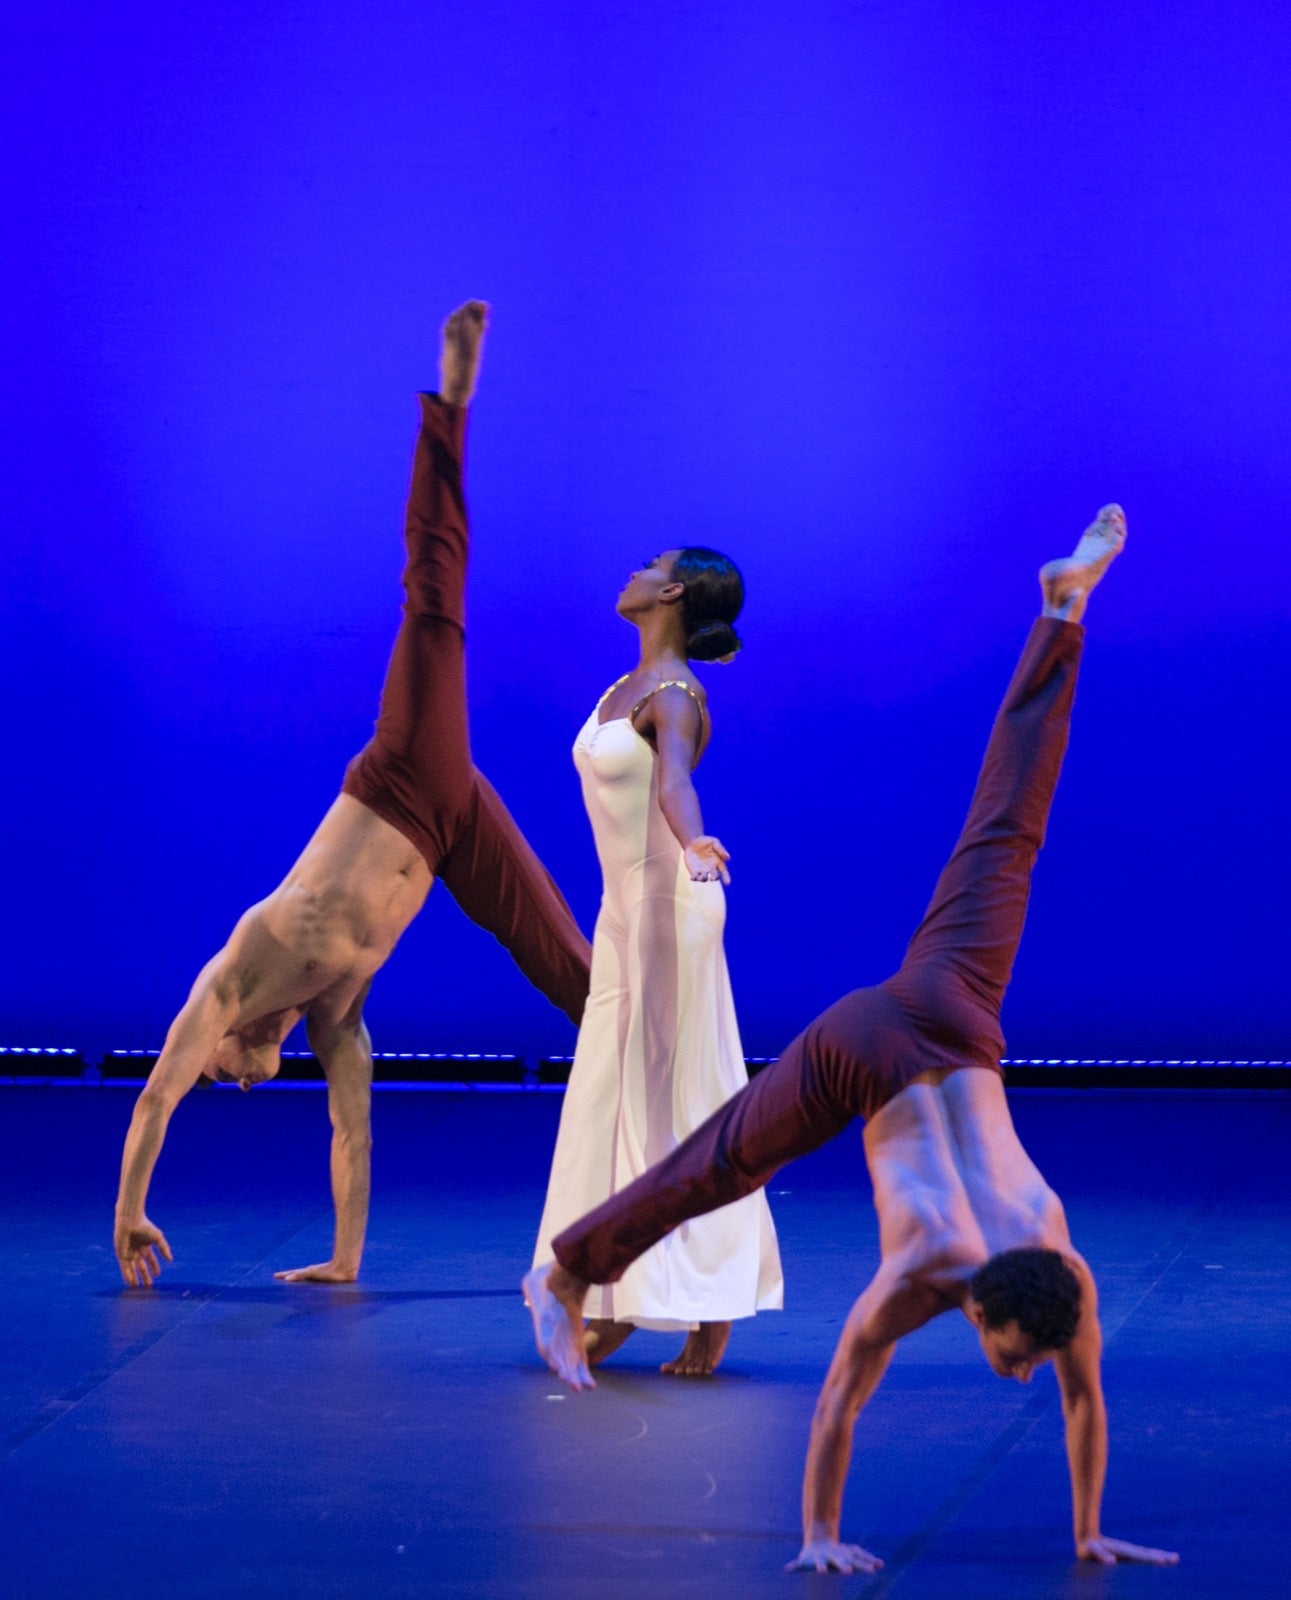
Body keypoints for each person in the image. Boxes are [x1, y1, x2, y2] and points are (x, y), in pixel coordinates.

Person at [524, 505, 1180, 1571]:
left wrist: (1090, 1528)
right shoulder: (923, 1266)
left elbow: (1081, 1398)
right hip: (870, 1047)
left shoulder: (1062, 1266)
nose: (1019, 1373)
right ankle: (567, 1276)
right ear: (977, 1308)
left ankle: (1062, 612)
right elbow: (839, 1400)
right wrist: (819, 1536)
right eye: (1016, 1360)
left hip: (954, 1016)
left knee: (1003, 835)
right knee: (727, 1155)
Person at [114, 303, 590, 1290]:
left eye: (230, 1077)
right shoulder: (332, 1016)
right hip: (452, 830)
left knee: (433, 601)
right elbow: (353, 1134)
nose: (241, 1086)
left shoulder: (233, 979)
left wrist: (128, 1212)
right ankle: (696, 1076)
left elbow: (155, 1098)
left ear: (228, 1047)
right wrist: (343, 1257)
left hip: (406, 777)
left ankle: (449, 405)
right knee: (570, 972)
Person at [532, 549, 782, 1377]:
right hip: (623, 914)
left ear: (669, 592)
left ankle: (700, 1304)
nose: (628, 573)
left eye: (646, 566)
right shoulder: (626, 685)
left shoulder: (674, 694)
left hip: (670, 904)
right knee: (610, 1102)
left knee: (674, 1106)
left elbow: (674, 781)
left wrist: (693, 838)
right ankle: (615, 1291)